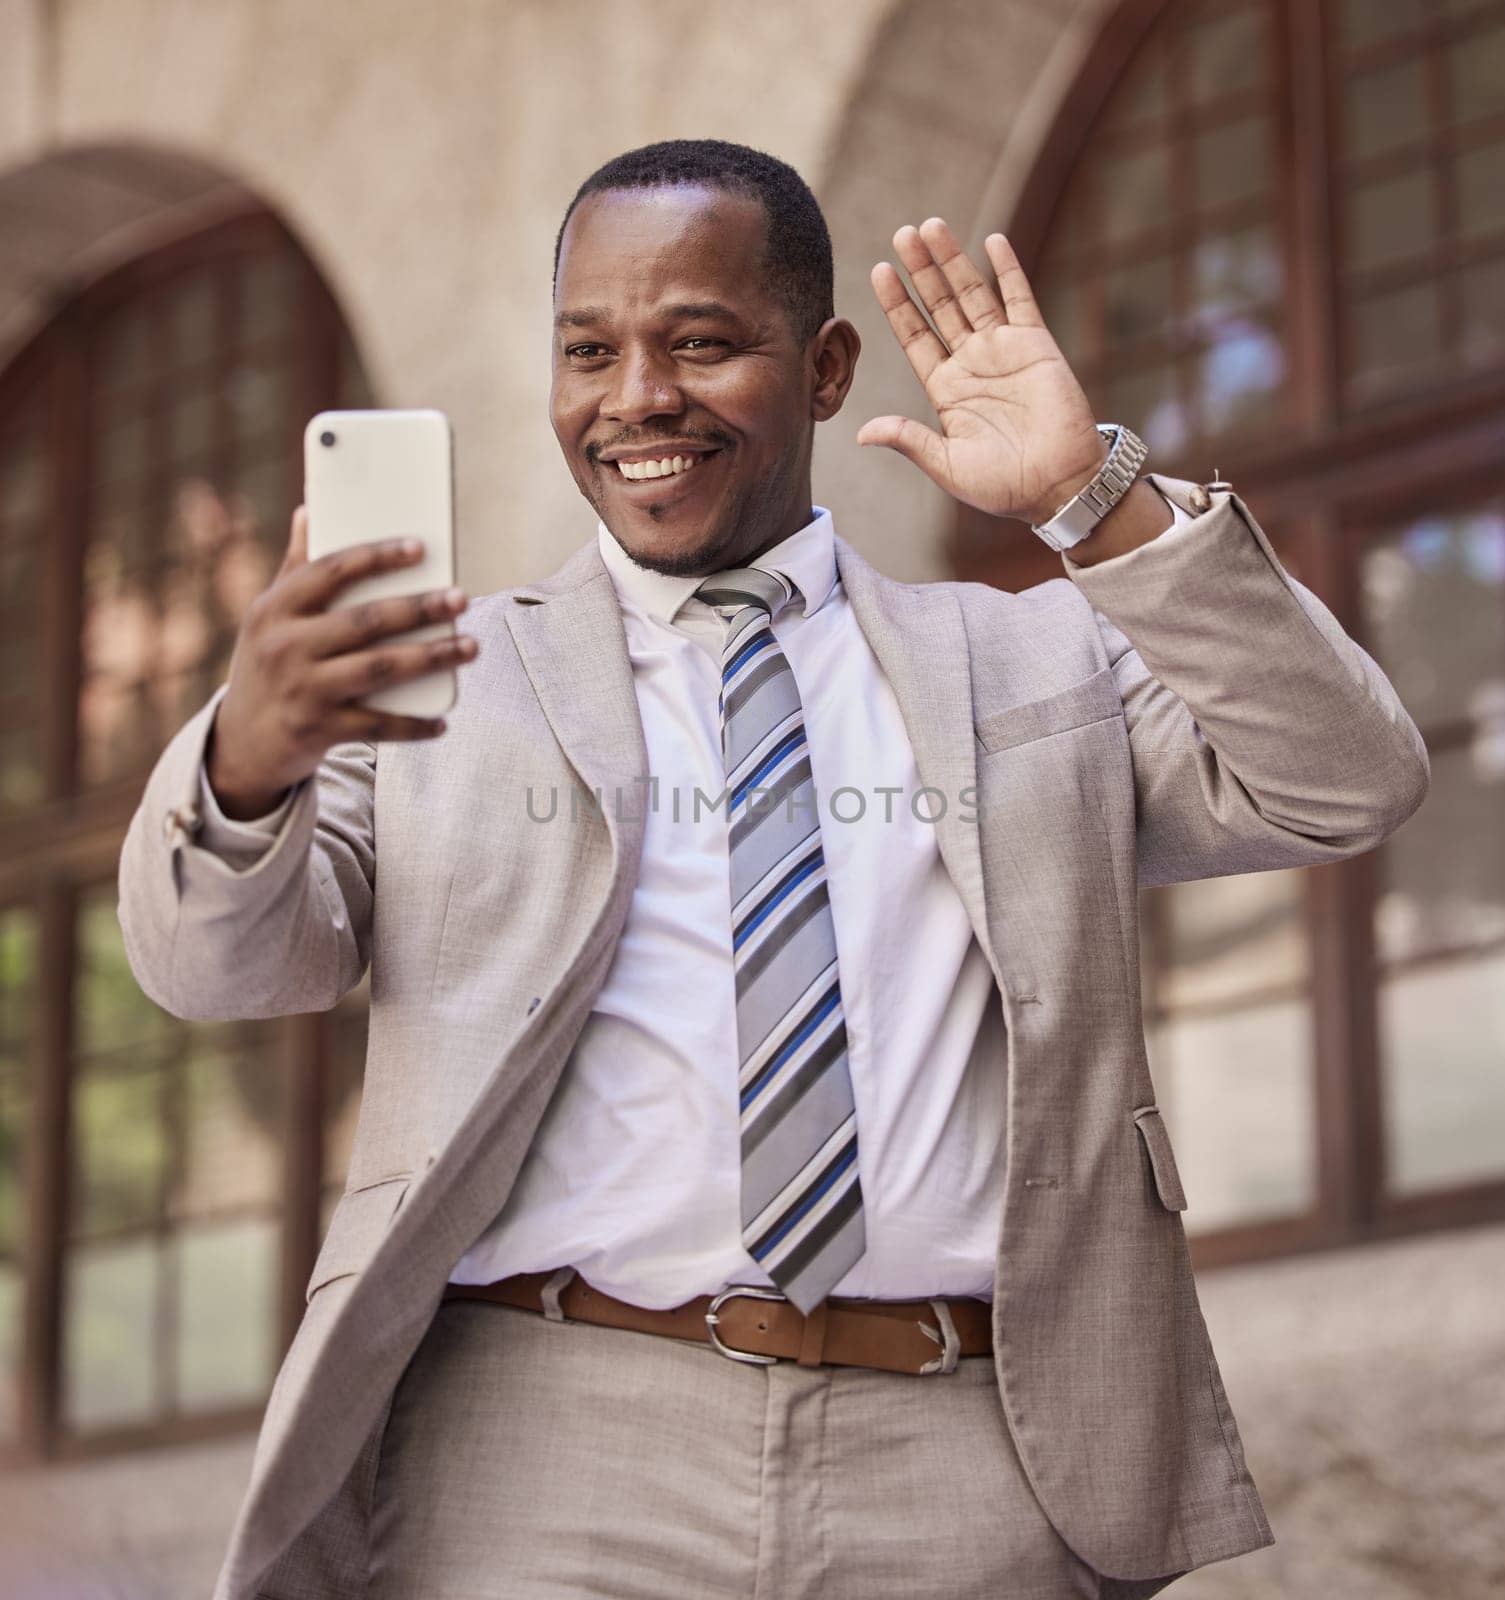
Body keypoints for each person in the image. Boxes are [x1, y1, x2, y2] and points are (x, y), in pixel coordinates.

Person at [118, 140, 1428, 1600]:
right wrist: (246, 760)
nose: (636, 400)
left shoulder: (1029, 664)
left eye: (700, 342)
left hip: (965, 1453)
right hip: (549, 1447)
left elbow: (1344, 781)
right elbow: (216, 967)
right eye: (588, 351)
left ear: (821, 369)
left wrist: (1088, 497)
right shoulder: (438, 687)